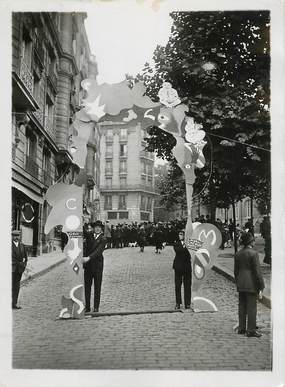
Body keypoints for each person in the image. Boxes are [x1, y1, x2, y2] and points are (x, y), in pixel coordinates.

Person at [234, 232, 265, 338]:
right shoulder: (253, 253)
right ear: (250, 242)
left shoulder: (238, 254)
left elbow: (235, 271)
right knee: (252, 307)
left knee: (242, 306)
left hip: (241, 282)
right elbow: (257, 272)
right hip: (251, 282)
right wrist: (261, 286)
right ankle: (251, 330)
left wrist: (238, 282)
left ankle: (241, 328)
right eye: (253, 240)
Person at [82, 221, 106, 313]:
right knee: (87, 287)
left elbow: (98, 251)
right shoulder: (90, 235)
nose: (97, 228)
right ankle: (87, 307)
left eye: (99, 227)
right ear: (93, 228)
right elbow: (83, 232)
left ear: (101, 229)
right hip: (88, 266)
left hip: (97, 266)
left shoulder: (103, 239)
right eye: (96, 227)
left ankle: (96, 307)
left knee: (97, 287)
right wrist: (83, 222)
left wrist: (89, 257)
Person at [172, 230, 192, 310]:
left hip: (187, 267)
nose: (180, 235)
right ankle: (178, 303)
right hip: (178, 267)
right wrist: (185, 246)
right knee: (178, 286)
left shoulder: (190, 244)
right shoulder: (176, 243)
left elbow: (191, 253)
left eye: (182, 234)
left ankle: (187, 303)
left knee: (187, 286)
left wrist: (187, 245)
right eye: (179, 234)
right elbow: (178, 251)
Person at [11, 229, 28, 309]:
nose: (16, 237)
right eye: (14, 236)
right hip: (11, 269)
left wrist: (23, 266)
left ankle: (14, 303)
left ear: (20, 236)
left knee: (16, 287)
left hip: (19, 270)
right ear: (12, 237)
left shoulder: (22, 246)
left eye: (17, 236)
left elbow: (25, 258)